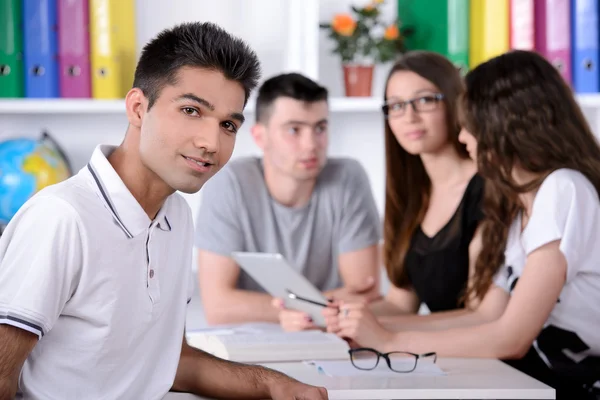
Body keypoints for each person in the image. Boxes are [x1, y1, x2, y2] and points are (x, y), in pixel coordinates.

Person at [0, 22, 328, 400]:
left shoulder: (176, 216)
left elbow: (172, 363)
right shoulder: (61, 218)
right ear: (139, 108)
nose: (211, 143)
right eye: (191, 110)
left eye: (227, 125)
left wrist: (276, 384)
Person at [326, 50, 600, 399]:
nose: (463, 137)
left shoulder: (563, 189)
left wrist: (390, 340)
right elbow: (489, 316)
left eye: (471, 124)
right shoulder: (521, 209)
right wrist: (374, 329)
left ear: (505, 124)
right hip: (523, 382)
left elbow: (511, 338)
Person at [195, 72, 382, 331]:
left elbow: (365, 293)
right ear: (260, 137)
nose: (311, 145)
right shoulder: (230, 182)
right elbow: (218, 306)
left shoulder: (348, 178)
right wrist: (315, 307)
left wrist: (286, 308)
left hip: (333, 341)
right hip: (256, 343)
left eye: (320, 128)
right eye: (294, 130)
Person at [326, 51, 484, 329]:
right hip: (446, 357)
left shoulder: (486, 188)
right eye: (396, 106)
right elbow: (401, 305)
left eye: (424, 100)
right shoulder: (410, 197)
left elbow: (481, 316)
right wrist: (342, 314)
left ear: (454, 102)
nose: (409, 117)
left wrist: (378, 329)